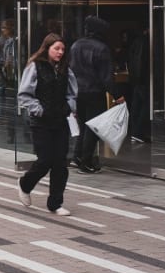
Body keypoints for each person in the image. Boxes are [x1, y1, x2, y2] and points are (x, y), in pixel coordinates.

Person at [16, 33, 78, 215]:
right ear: (47, 48)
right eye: (56, 48)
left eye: (62, 49)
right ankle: (24, 184)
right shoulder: (36, 66)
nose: (60, 52)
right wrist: (39, 109)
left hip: (61, 121)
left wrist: (69, 106)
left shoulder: (65, 69)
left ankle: (55, 203)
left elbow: (72, 93)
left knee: (60, 162)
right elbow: (24, 94)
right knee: (45, 160)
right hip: (41, 122)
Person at [69, 16, 121, 172]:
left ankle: (77, 157)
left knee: (83, 126)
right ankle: (86, 161)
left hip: (78, 92)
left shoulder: (76, 45)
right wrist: (117, 94)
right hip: (94, 92)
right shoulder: (102, 48)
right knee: (94, 127)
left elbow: (71, 71)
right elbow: (106, 77)